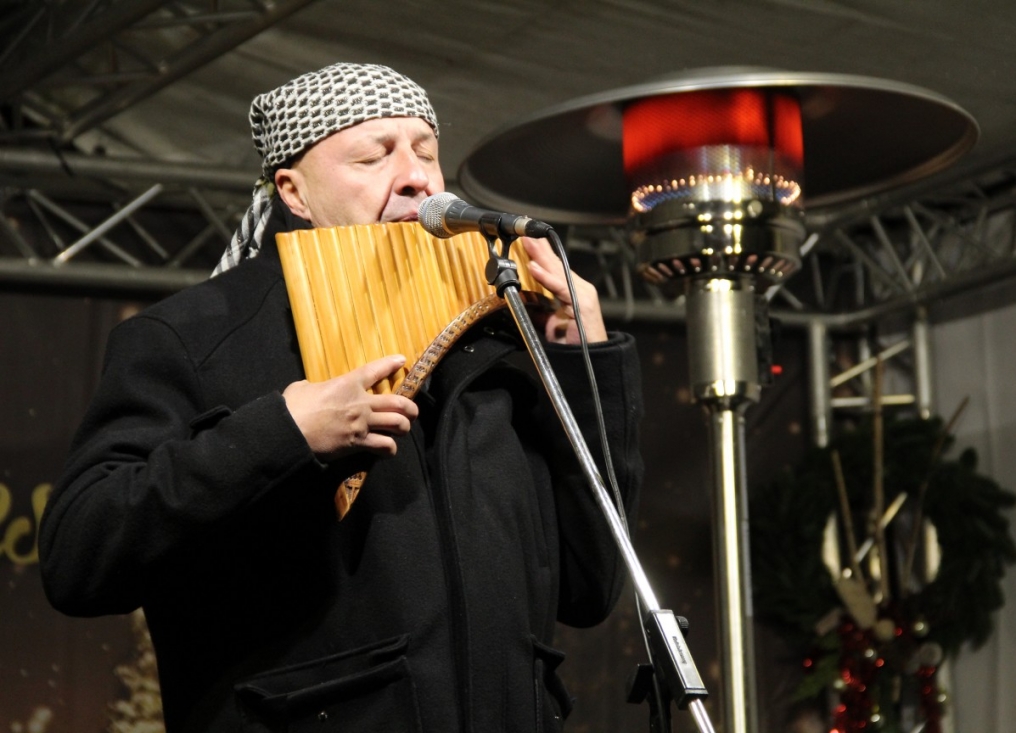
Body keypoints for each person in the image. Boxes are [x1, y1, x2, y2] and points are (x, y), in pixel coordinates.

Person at [38, 63, 643, 732]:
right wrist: (283, 433)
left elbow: (590, 587)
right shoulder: (191, 336)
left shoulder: (503, 340)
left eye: (425, 152)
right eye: (373, 155)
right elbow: (80, 557)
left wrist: (585, 361)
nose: (415, 177)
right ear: (293, 191)